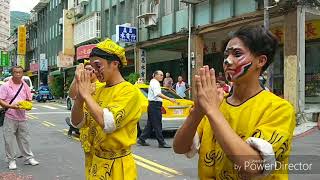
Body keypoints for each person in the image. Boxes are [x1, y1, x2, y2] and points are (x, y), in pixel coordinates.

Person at [173, 26, 295, 179]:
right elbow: (179, 147)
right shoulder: (216, 103)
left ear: (261, 61)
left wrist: (212, 111)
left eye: (237, 54)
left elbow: (253, 165)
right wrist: (198, 111)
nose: (227, 61)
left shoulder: (279, 109)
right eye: (226, 55)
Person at [70, 38, 142, 179]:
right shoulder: (96, 88)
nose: (95, 72)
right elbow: (78, 122)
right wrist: (80, 97)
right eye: (92, 67)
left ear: (114, 64)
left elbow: (109, 124)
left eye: (98, 66)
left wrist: (86, 95)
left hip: (118, 165)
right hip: (95, 161)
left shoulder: (129, 91)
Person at [0, 66, 39, 170]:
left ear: (22, 73)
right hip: (10, 116)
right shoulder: (6, 86)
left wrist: (28, 106)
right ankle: (11, 160)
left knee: (25, 139)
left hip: (22, 117)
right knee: (9, 140)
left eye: (20, 72)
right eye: (15, 72)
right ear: (12, 73)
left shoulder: (24, 85)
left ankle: (29, 158)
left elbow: (28, 99)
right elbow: (1, 100)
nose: (18, 74)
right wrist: (11, 106)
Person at [137, 70, 175, 148]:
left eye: (162, 75)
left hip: (154, 105)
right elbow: (157, 94)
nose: (162, 76)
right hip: (154, 105)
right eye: (160, 75)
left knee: (150, 124)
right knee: (158, 124)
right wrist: (169, 98)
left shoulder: (155, 82)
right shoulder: (154, 82)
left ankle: (141, 139)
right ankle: (161, 142)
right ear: (155, 75)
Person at [67, 60, 105, 137]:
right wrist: (76, 77)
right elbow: (72, 94)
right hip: (84, 124)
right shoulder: (84, 84)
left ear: (95, 71)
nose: (87, 72)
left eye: (89, 69)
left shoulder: (101, 85)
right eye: (85, 70)